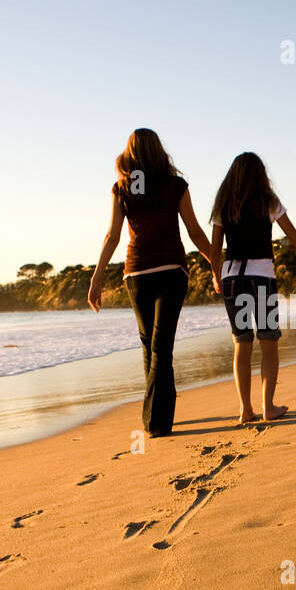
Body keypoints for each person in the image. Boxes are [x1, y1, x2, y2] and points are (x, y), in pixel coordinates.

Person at [88, 128, 211, 437]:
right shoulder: (174, 185)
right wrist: (217, 263)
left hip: (138, 274)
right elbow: (195, 232)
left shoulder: (124, 188)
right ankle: (159, 416)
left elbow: (113, 236)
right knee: (156, 345)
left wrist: (98, 276)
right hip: (168, 271)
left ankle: (155, 417)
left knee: (155, 345)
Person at [211, 152, 296, 424]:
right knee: (268, 342)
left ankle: (245, 409)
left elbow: (216, 248)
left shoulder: (223, 204)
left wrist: (215, 275)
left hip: (232, 279)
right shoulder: (268, 201)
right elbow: (295, 238)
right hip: (261, 279)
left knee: (241, 343)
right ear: (260, 175)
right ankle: (268, 407)